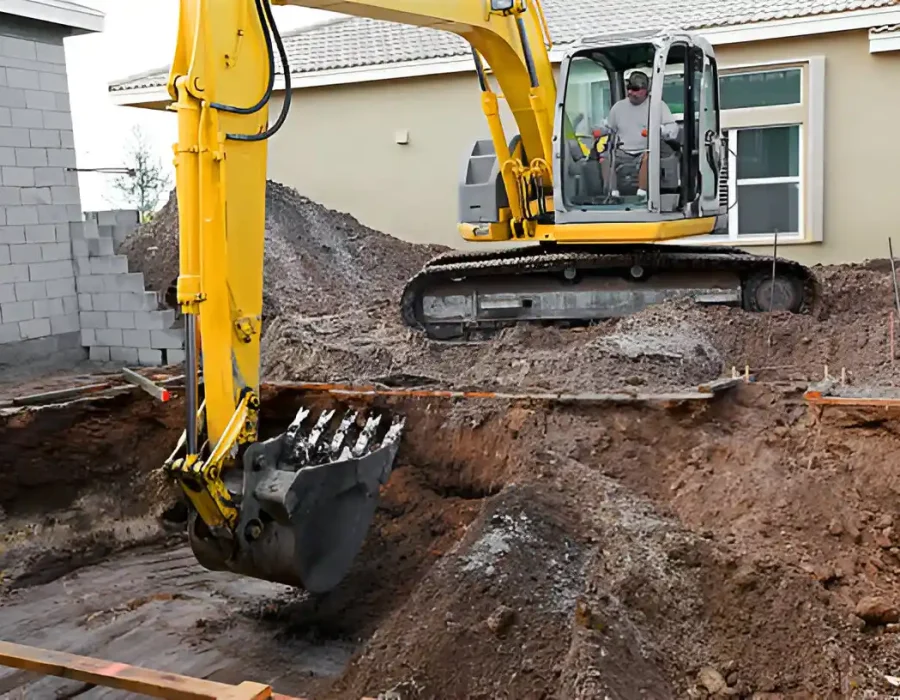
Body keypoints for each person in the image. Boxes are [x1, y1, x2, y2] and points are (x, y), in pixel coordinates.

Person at [602, 70, 679, 200]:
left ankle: (642, 195)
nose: (631, 92)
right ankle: (612, 194)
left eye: (636, 89)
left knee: (649, 156)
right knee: (605, 157)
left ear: (646, 90)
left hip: (648, 149)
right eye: (629, 88)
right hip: (623, 151)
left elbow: (673, 129)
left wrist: (658, 130)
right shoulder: (618, 107)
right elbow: (609, 128)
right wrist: (598, 130)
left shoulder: (658, 106)